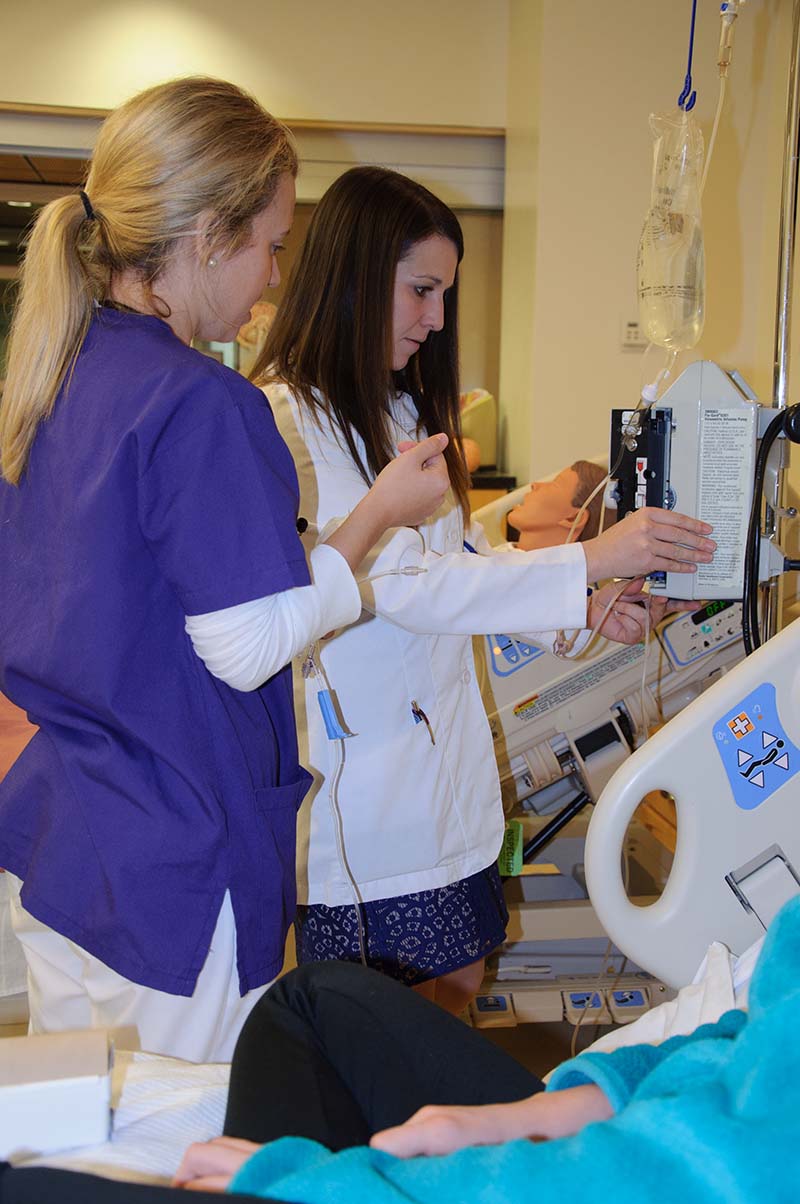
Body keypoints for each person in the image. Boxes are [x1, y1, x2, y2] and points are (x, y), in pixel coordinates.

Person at [0, 79, 451, 1062]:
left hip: (73, 837)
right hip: (176, 851)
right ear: (207, 235)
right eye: (271, 244)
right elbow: (243, 647)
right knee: (183, 1143)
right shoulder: (201, 403)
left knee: (75, 1137)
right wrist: (372, 530)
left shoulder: (50, 377)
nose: (273, 277)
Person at [252, 165, 716, 1013]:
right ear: (356, 280)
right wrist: (593, 560)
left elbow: (464, 558)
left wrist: (585, 605)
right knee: (385, 1024)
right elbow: (403, 585)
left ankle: (433, 1140)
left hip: (443, 779)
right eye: (420, 290)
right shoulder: (293, 420)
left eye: (443, 295)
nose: (435, 320)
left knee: (458, 985)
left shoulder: (392, 413)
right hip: (371, 801)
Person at [2, 895, 791, 1200]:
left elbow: (674, 1178)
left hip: (617, 1177)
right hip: (622, 1131)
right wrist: (539, 1111)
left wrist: (315, 1182)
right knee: (309, 1002)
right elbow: (744, 1034)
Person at [508, 460, 617, 551]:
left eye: (555, 484)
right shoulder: (504, 558)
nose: (534, 485)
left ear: (573, 518)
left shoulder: (546, 575)